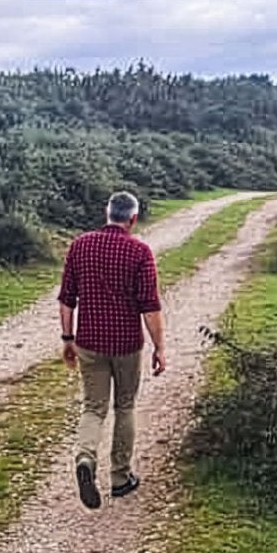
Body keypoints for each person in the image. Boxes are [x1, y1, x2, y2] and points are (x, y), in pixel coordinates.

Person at [57, 191, 166, 510]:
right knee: (125, 406)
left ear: (107, 213)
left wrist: (67, 338)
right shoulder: (140, 252)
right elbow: (150, 306)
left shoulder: (80, 245)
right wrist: (160, 347)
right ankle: (120, 477)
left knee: (93, 407)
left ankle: (85, 459)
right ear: (133, 219)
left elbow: (67, 297)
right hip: (126, 344)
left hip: (89, 341)